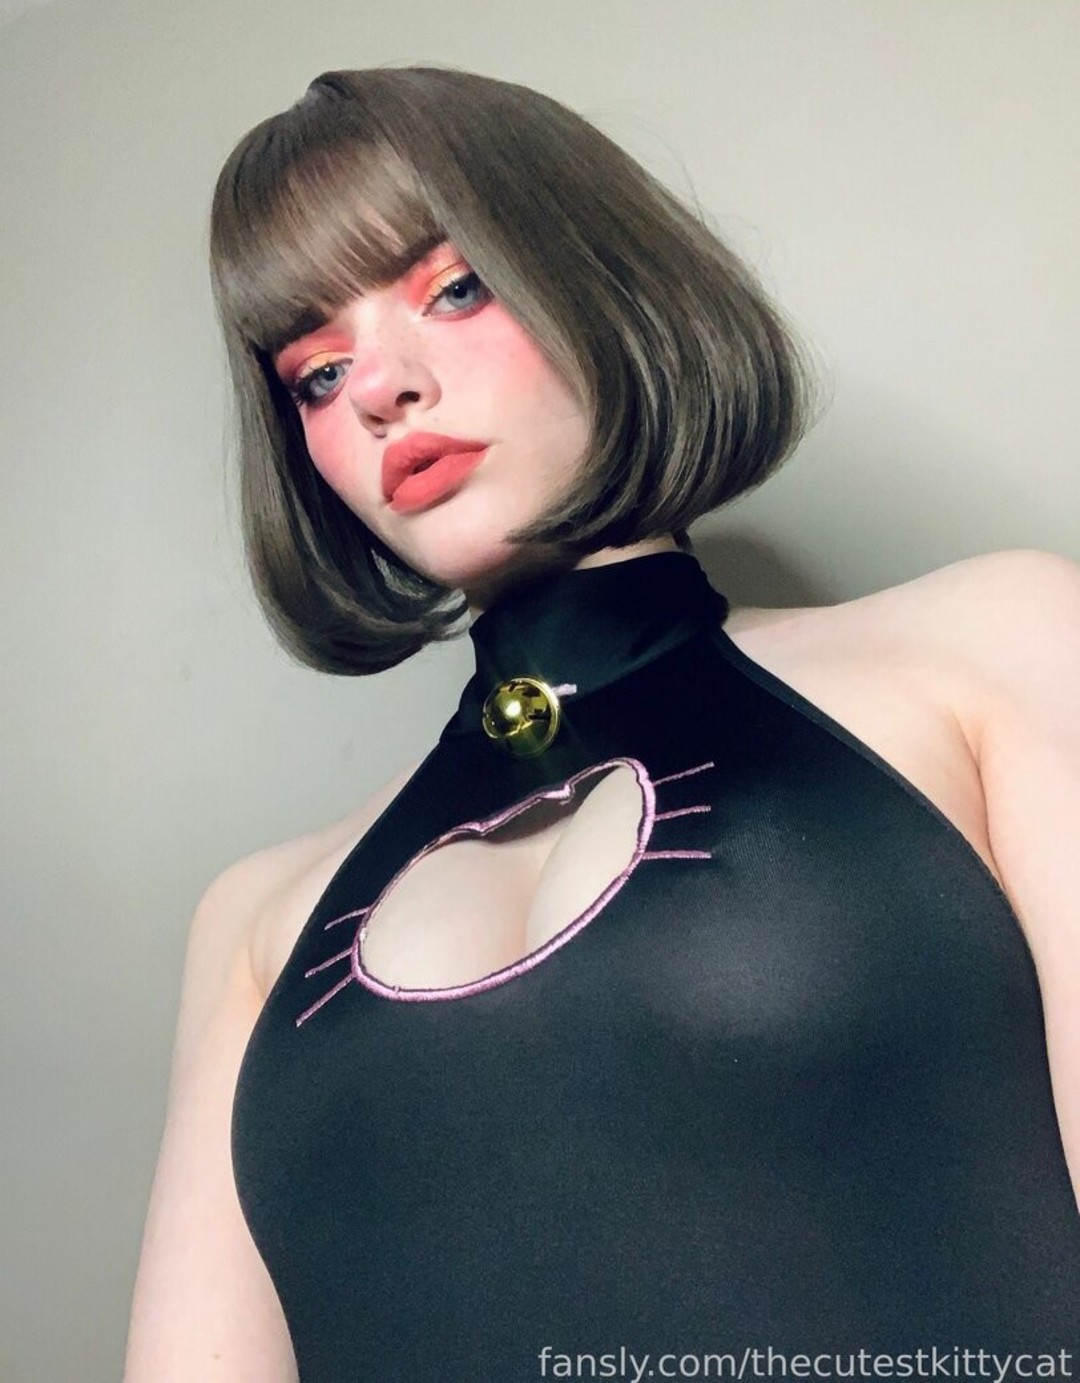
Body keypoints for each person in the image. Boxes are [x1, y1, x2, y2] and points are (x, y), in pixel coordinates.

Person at [125, 65, 1080, 1382]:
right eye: (318, 371)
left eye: (456, 289)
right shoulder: (255, 927)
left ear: (596, 278)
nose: (379, 388)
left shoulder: (996, 649)